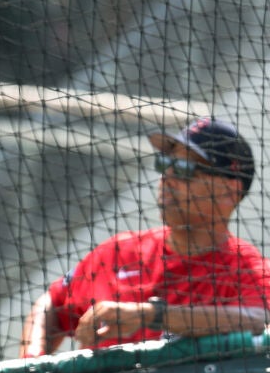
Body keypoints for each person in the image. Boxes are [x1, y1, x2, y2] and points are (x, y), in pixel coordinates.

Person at [20, 117, 270, 357]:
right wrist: (32, 363)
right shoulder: (119, 251)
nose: (168, 177)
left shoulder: (248, 269)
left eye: (185, 169)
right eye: (165, 163)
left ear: (229, 191)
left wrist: (150, 314)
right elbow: (52, 302)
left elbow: (258, 319)